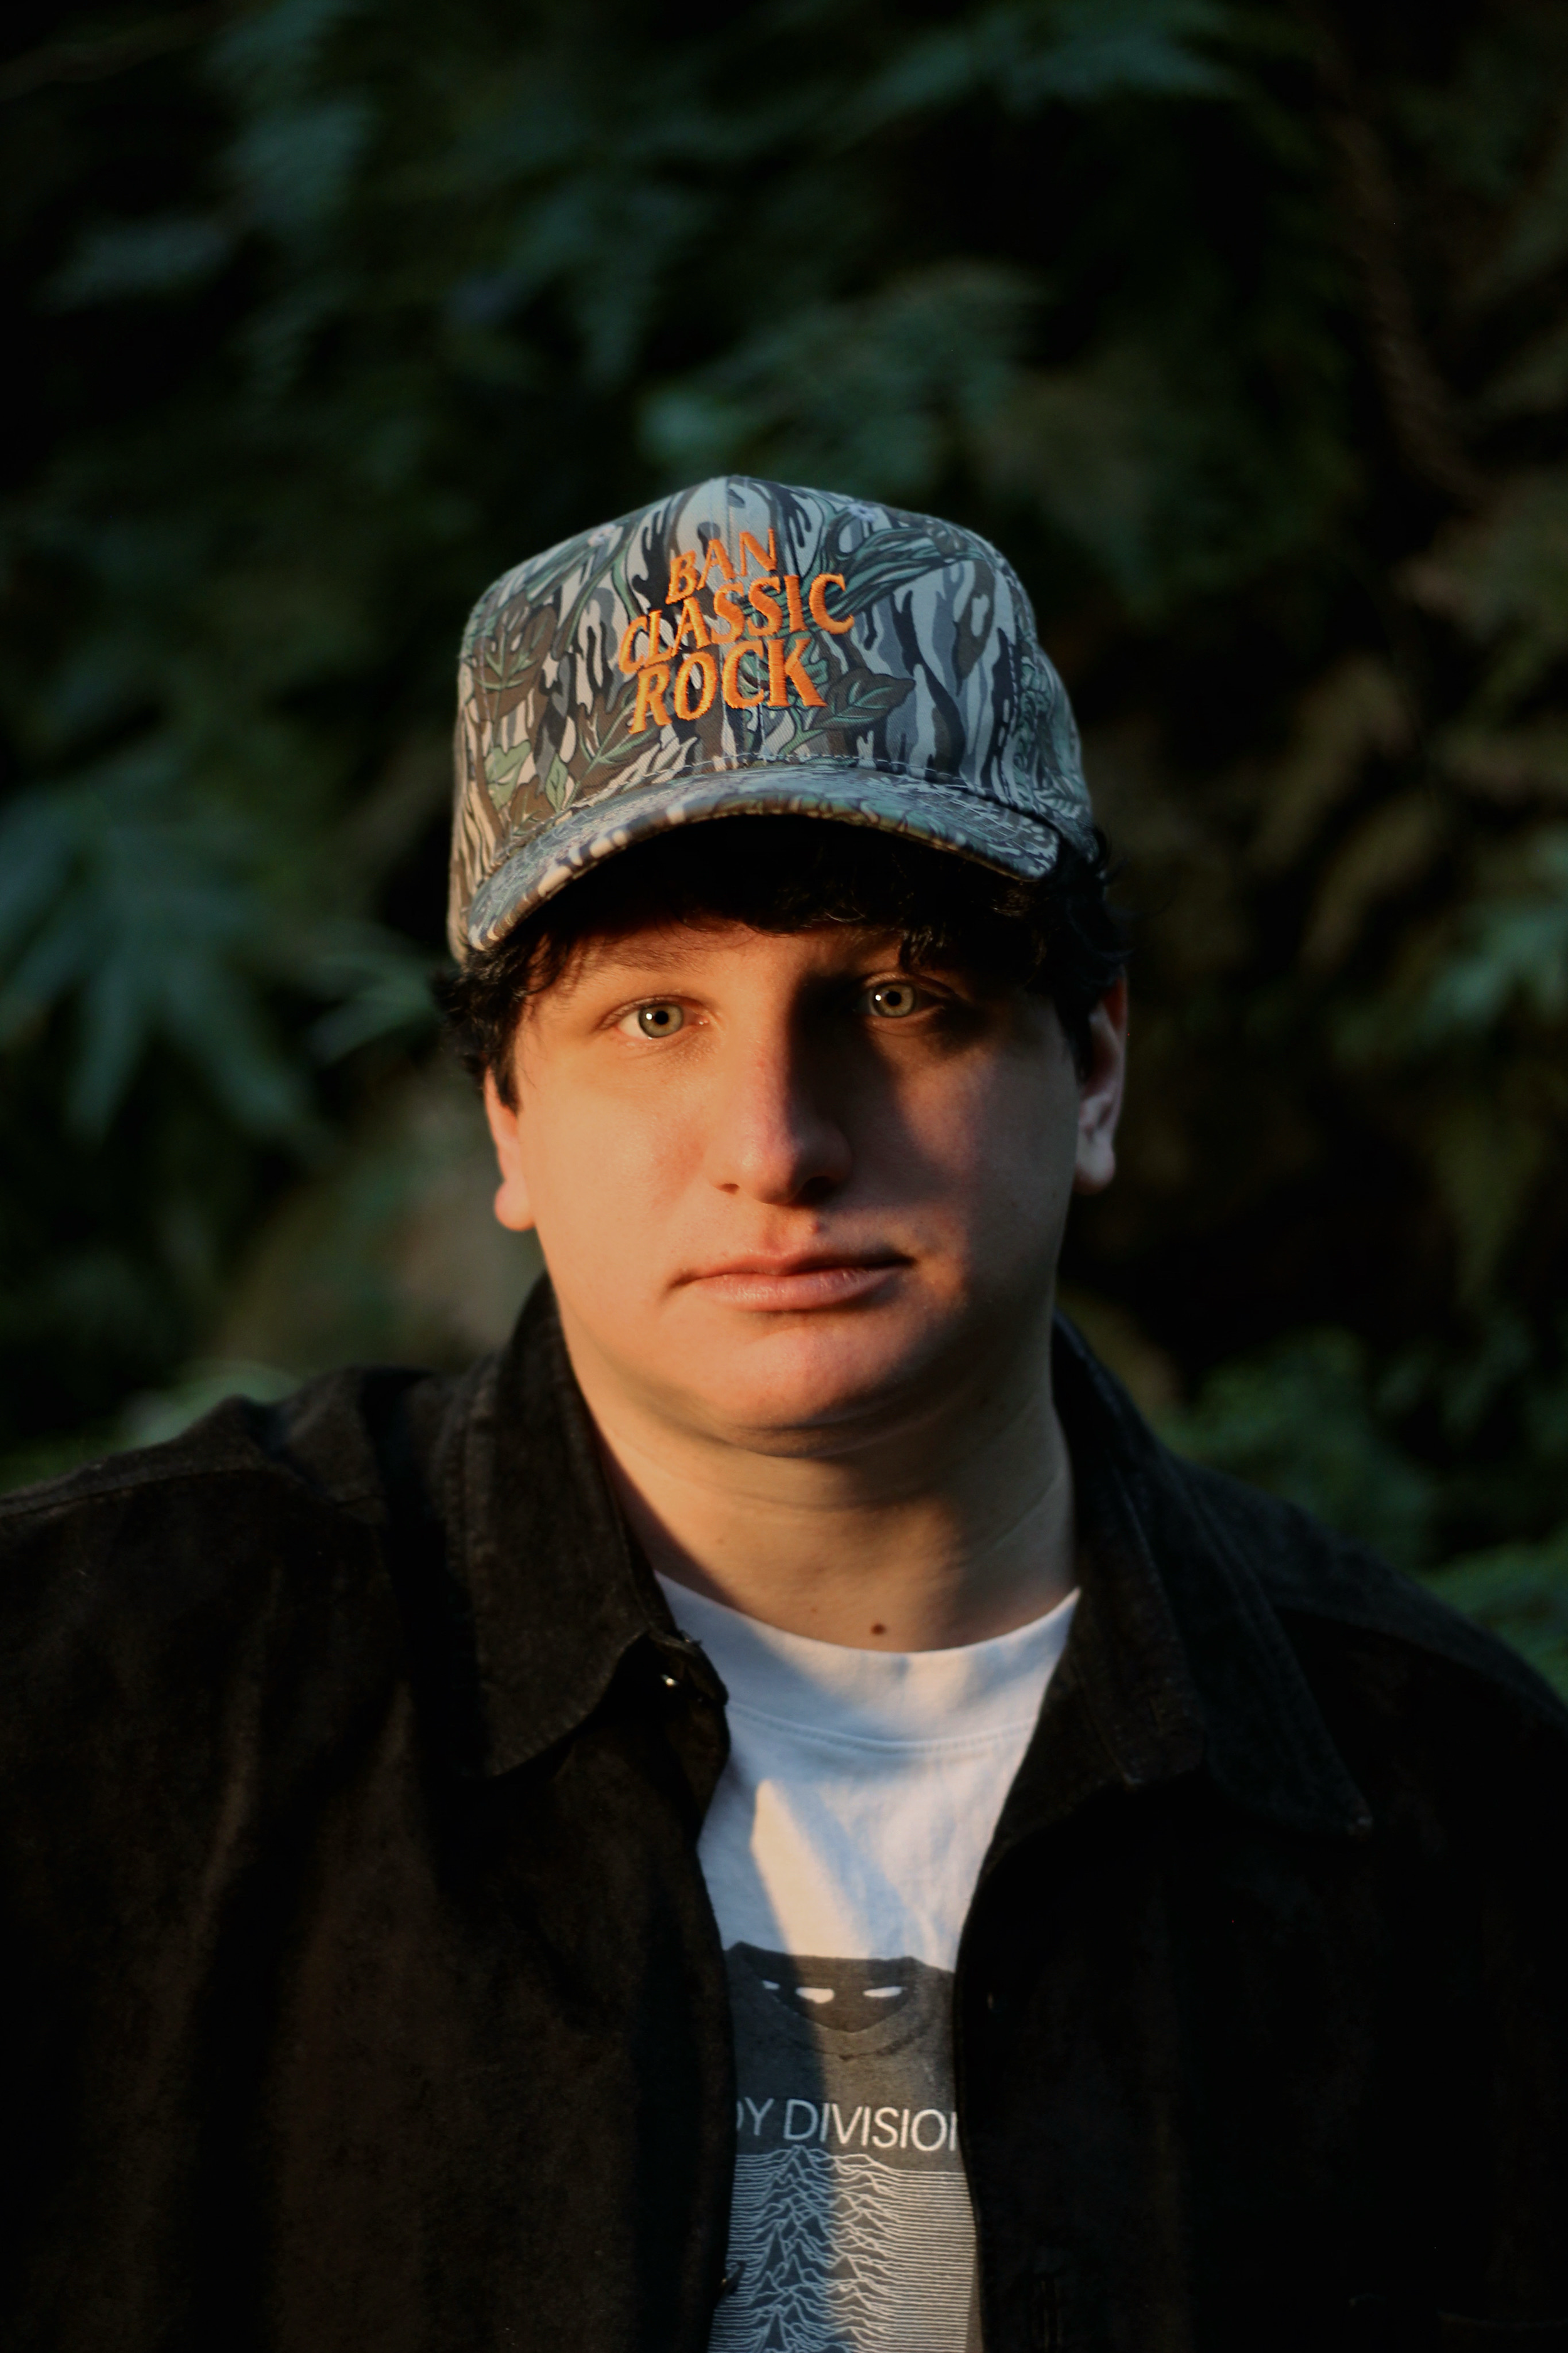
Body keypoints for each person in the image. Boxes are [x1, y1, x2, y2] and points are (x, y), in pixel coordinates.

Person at [1, 477, 1565, 2353]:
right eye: (655, 1017)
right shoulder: (103, 1698)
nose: (775, 1145)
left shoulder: (1455, 1822)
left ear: (1091, 1067)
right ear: (507, 1115)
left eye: (897, 999)